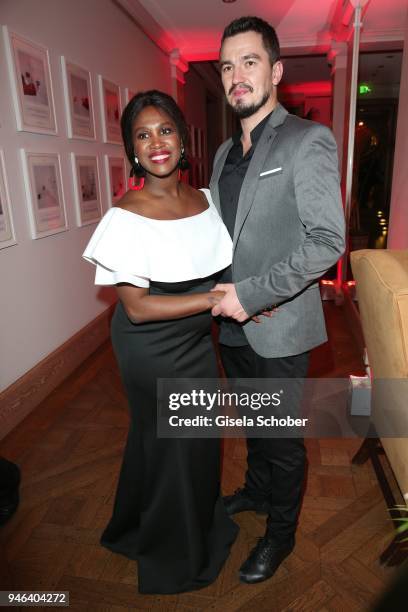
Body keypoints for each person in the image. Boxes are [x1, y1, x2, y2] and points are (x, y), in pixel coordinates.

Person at [83, 90, 238, 594]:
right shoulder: (125, 218)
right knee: (177, 444)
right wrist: (216, 300)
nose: (156, 143)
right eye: (142, 135)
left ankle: (137, 526)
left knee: (180, 442)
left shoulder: (206, 199)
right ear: (131, 149)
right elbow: (138, 307)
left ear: (182, 137)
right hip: (148, 347)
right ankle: (177, 557)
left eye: (165, 130)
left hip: (195, 342)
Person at [209, 16, 346, 584]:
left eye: (250, 62)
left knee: (283, 438)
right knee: (255, 424)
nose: (237, 76)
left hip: (280, 325)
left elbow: (327, 241)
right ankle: (258, 492)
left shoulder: (306, 140)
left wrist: (252, 294)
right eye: (226, 66)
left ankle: (280, 537)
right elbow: (226, 239)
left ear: (276, 71)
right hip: (233, 326)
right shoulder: (221, 155)